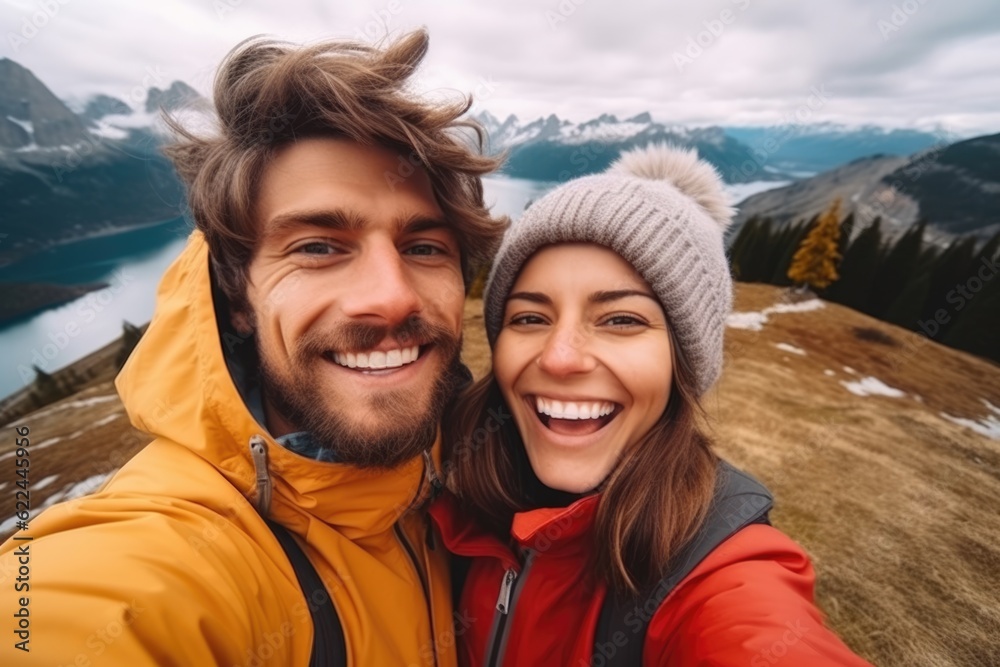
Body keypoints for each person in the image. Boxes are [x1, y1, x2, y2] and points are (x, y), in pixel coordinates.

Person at [0, 29, 507, 666]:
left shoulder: (467, 476)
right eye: (318, 247)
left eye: (425, 247)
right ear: (237, 295)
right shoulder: (160, 563)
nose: (392, 297)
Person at [430, 144, 874, 666]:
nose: (560, 357)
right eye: (530, 318)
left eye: (621, 320)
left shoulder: (716, 566)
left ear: (682, 362)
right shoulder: (447, 485)